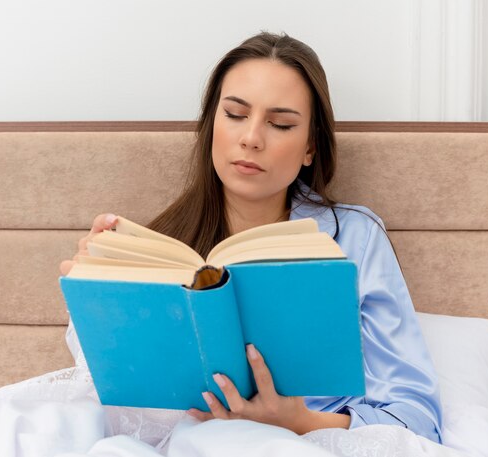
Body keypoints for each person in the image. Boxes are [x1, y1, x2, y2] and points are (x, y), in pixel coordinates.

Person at [59, 31, 443, 443]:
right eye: (236, 115)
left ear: (310, 147)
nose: (251, 138)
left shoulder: (355, 238)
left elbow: (417, 419)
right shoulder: (165, 248)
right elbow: (121, 397)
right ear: (211, 126)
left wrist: (301, 423)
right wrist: (96, 286)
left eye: (280, 124)